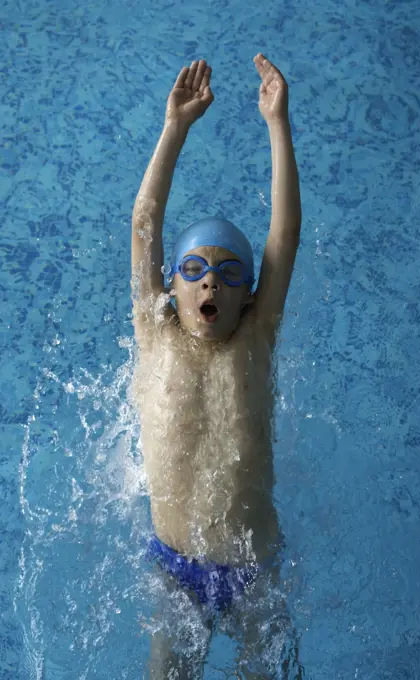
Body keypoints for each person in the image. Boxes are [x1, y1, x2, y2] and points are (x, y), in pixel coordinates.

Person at [131, 53, 303, 679]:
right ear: (173, 288)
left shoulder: (256, 339)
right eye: (195, 271)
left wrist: (277, 124)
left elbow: (283, 239)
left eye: (230, 274)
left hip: (254, 572)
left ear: (249, 294)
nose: (211, 284)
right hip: (175, 569)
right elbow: (145, 222)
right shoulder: (156, 335)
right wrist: (173, 128)